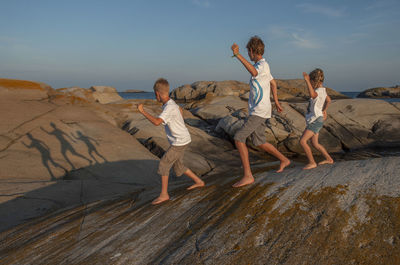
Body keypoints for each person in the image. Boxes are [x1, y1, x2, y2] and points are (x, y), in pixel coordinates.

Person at [230, 36, 291, 188]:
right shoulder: (264, 65)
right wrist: (275, 101)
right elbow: (273, 83)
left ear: (251, 51)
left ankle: (248, 175)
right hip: (260, 110)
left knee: (239, 138)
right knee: (259, 142)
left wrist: (237, 55)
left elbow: (254, 72)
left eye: (247, 52)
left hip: (259, 111)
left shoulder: (261, 66)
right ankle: (284, 160)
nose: (248, 55)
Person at [138, 78, 205, 204]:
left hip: (179, 142)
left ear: (157, 93)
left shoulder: (169, 107)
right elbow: (179, 110)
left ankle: (164, 194)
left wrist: (143, 111)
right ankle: (199, 181)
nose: (155, 96)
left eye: (155, 94)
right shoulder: (170, 103)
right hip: (183, 139)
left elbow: (157, 122)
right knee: (178, 168)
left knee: (164, 164)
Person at [300, 69, 334, 169]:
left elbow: (313, 95)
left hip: (315, 121)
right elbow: (329, 100)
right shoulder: (323, 90)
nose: (310, 83)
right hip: (317, 119)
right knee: (315, 143)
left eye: (311, 82)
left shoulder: (317, 91)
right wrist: (324, 110)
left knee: (302, 141)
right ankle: (329, 159)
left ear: (314, 81)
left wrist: (306, 80)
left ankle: (312, 162)